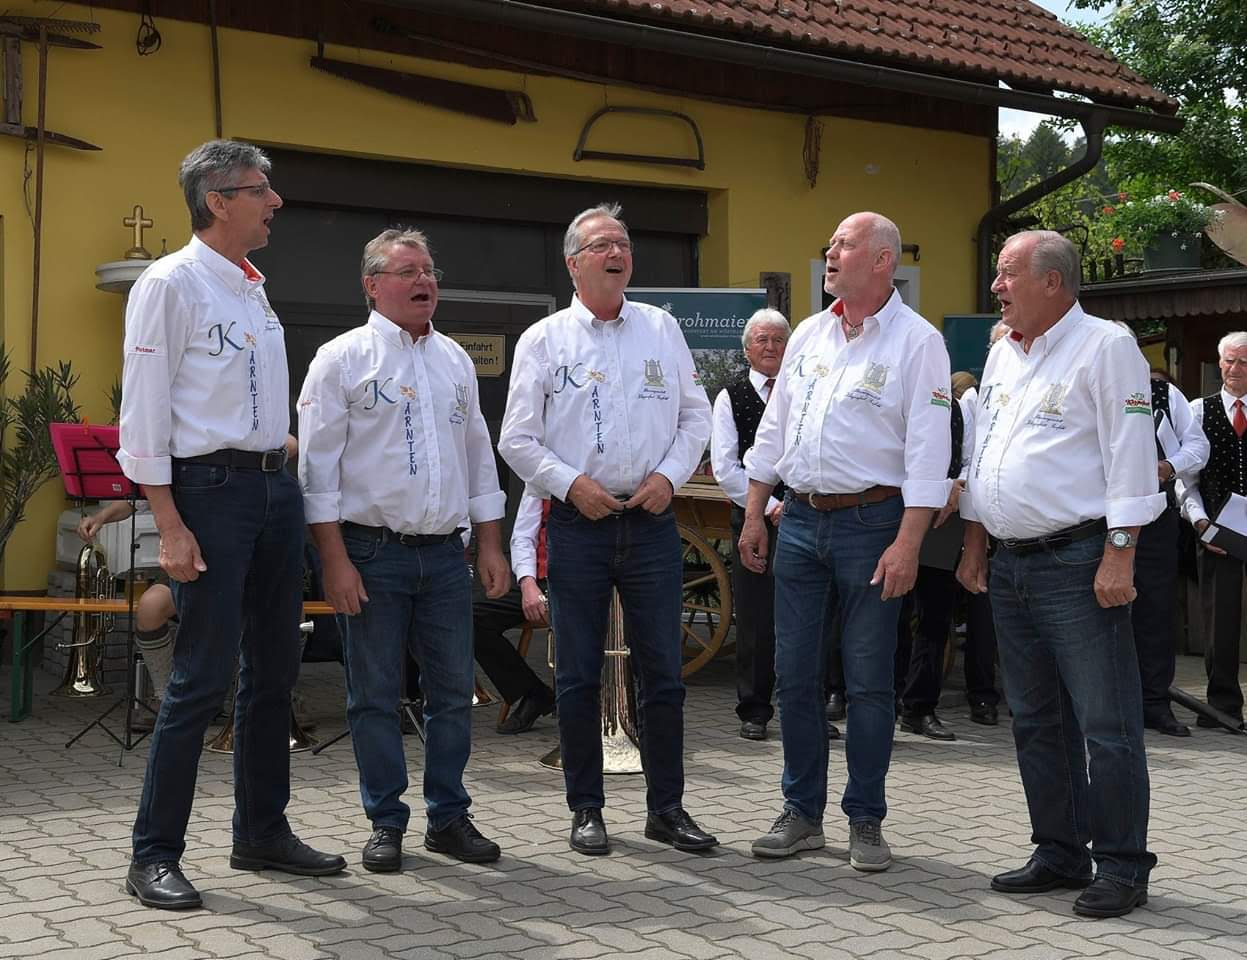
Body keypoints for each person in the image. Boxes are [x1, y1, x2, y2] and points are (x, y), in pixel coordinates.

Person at [118, 140, 345, 911]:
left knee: (277, 671)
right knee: (200, 677)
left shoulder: (252, 287)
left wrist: (276, 444)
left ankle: (261, 833)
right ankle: (153, 853)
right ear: (218, 200)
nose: (275, 202)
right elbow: (144, 410)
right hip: (208, 494)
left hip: (270, 489)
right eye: (260, 191)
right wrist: (169, 523)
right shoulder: (171, 284)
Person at [499, 202, 717, 856]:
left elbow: (694, 416)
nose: (616, 250)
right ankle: (586, 809)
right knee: (576, 676)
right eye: (601, 244)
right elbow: (516, 438)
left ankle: (666, 808)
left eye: (622, 241)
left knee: (664, 674)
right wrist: (571, 484)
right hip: (578, 525)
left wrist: (669, 477)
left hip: (650, 522)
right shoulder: (544, 340)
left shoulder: (661, 329)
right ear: (574, 263)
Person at [957, 230, 1163, 919]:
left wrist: (1120, 550)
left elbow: (1130, 452)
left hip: (1079, 562)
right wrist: (976, 542)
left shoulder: (1105, 346)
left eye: (1006, 274)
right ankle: (1058, 850)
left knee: (1105, 724)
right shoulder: (1000, 353)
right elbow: (984, 451)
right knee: (1035, 721)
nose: (995, 286)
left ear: (1052, 282)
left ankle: (1123, 866)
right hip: (1011, 565)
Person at [740, 211, 952, 870]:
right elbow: (775, 428)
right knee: (794, 678)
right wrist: (754, 509)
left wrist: (909, 541)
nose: (829, 251)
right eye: (830, 242)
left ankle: (865, 819)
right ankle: (801, 814)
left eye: (844, 243)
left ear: (883, 259)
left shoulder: (918, 344)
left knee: (866, 683)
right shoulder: (807, 333)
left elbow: (928, 450)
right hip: (797, 520)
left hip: (873, 526)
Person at [298, 227, 511, 874]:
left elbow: (478, 455)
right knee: (373, 694)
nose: (425, 281)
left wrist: (491, 544)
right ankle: (385, 821)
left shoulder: (453, 360)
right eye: (408, 270)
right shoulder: (340, 359)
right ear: (372, 285)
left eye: (430, 271)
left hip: (445, 556)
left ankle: (448, 819)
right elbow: (316, 471)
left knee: (453, 694)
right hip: (371, 554)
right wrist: (333, 561)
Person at [710, 307, 791, 741]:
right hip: (753, 517)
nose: (770, 347)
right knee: (757, 616)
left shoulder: (800, 390)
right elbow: (725, 467)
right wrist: (768, 505)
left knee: (804, 616)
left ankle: (804, 707)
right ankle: (755, 709)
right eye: (762, 340)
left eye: (778, 339)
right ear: (746, 349)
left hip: (803, 514)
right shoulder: (731, 395)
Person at [1124, 349, 1209, 737]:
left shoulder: (1163, 395)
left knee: (1155, 612)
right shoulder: (1083, 389)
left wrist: (1169, 465)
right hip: (1095, 518)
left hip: (1156, 517)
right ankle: (1106, 704)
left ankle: (1154, 704)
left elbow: (1198, 447)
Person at [1178, 331, 1247, 731]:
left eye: (1243, 362)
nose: (1236, 369)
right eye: (1229, 362)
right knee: (1220, 623)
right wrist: (1201, 523)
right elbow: (1185, 479)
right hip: (1218, 530)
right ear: (1219, 364)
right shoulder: (1198, 411)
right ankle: (1223, 707)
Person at [475, 493, 557, 735]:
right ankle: (533, 693)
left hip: (583, 580)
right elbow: (523, 536)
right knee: (473, 617)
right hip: (538, 581)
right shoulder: (539, 472)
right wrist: (527, 582)